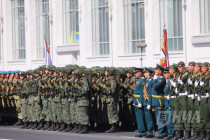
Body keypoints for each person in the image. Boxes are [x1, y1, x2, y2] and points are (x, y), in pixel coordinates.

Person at [151, 64, 166, 139]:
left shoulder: (161, 78)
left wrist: (154, 79)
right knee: (158, 117)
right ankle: (161, 132)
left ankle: (162, 133)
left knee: (160, 117)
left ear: (160, 71)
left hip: (159, 100)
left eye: (157, 70)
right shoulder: (158, 78)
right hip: (156, 100)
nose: (155, 71)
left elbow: (156, 86)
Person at [133, 67, 147, 137]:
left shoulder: (142, 80)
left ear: (140, 73)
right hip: (136, 100)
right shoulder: (138, 80)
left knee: (140, 117)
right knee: (138, 117)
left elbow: (143, 91)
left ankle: (142, 131)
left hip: (139, 101)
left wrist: (141, 102)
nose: (135, 74)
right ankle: (140, 130)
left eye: (136, 73)